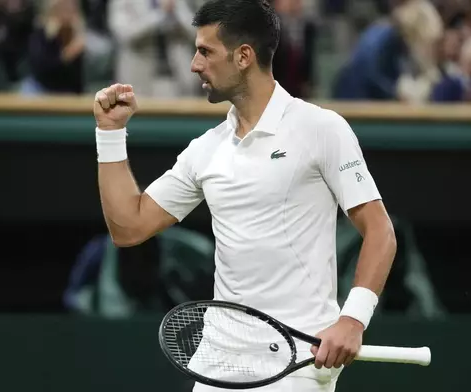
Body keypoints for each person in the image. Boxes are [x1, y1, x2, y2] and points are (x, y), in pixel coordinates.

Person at [92, 0, 396, 391]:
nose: (194, 64)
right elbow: (128, 227)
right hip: (217, 361)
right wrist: (111, 134)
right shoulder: (205, 149)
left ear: (243, 57)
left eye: (205, 51)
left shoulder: (321, 128)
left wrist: (353, 319)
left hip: (298, 364)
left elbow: (379, 230)